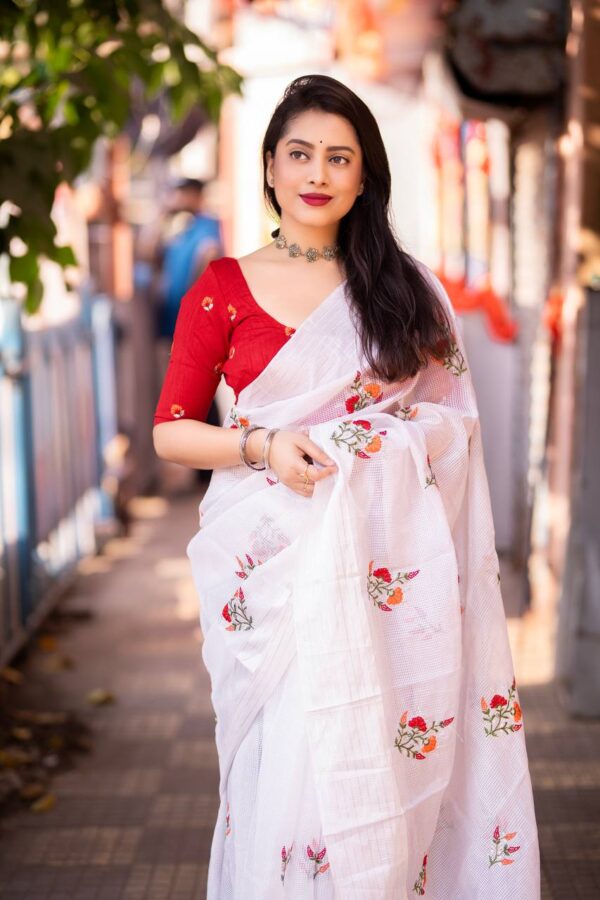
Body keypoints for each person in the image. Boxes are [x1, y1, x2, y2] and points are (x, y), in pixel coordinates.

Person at [152, 74, 540, 899]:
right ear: (269, 168)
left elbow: (454, 425)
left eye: (339, 156)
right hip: (276, 570)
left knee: (388, 772)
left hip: (388, 573)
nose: (317, 172)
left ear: (366, 176)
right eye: (299, 154)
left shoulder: (406, 290)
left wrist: (372, 445)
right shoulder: (223, 287)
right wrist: (264, 445)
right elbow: (173, 429)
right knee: (294, 765)